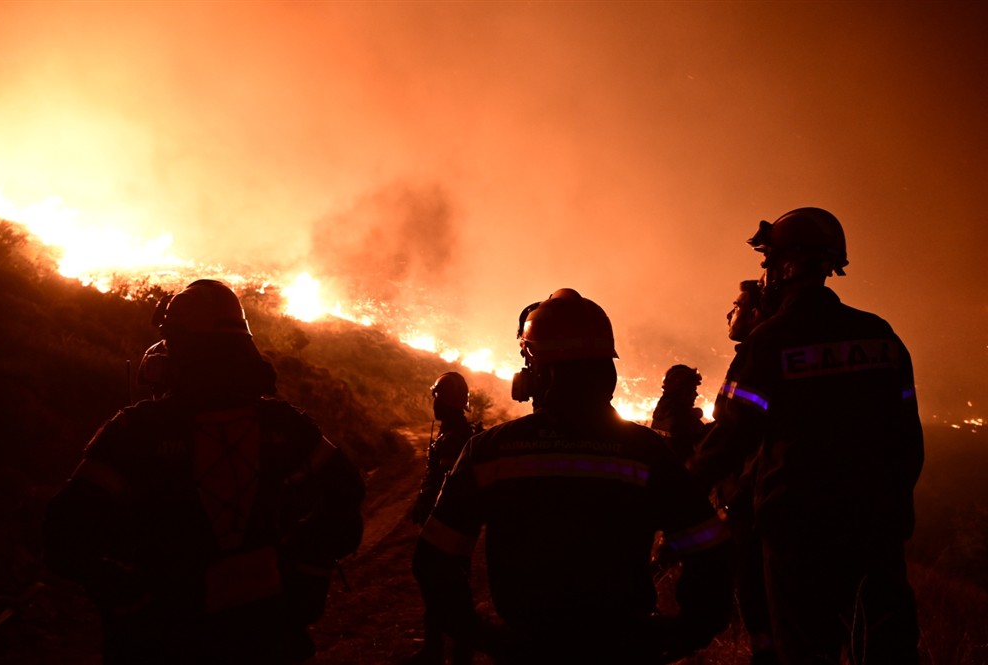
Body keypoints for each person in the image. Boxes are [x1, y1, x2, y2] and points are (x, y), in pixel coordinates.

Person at [43, 279, 365, 665]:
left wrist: (131, 602)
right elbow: (345, 498)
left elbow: (61, 535)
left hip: (169, 640)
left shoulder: (137, 431)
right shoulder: (285, 426)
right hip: (268, 637)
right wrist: (304, 573)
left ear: (178, 345)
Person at [413, 288, 733, 664]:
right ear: (605, 368)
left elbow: (434, 558)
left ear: (539, 370)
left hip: (528, 648)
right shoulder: (644, 451)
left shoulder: (492, 451)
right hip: (624, 648)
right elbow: (709, 549)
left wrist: (483, 635)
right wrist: (683, 633)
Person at [688, 208, 924, 664]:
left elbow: (733, 434)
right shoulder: (879, 335)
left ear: (786, 265)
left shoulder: (772, 340)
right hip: (876, 525)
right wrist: (893, 509)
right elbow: (907, 438)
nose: (765, 274)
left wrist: (678, 490)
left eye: (768, 262)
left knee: (805, 650)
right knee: (884, 647)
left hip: (799, 530)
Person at [692, 278, 778, 665]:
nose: (731, 313)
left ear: (757, 312)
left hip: (759, 511)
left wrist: (686, 487)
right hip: (762, 504)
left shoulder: (761, 352)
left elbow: (735, 433)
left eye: (738, 305)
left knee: (761, 602)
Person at [406, 371, 478, 665]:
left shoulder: (456, 437)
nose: (433, 403)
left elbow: (446, 487)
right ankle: (437, 648)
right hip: (445, 523)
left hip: (447, 525)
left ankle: (454, 650)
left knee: (443, 585)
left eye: (436, 397)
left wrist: (430, 509)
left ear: (445, 401)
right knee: (440, 586)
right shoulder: (453, 432)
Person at [649, 364, 709, 463]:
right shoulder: (684, 421)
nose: (696, 394)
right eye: (693, 389)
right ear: (682, 390)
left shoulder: (661, 415)